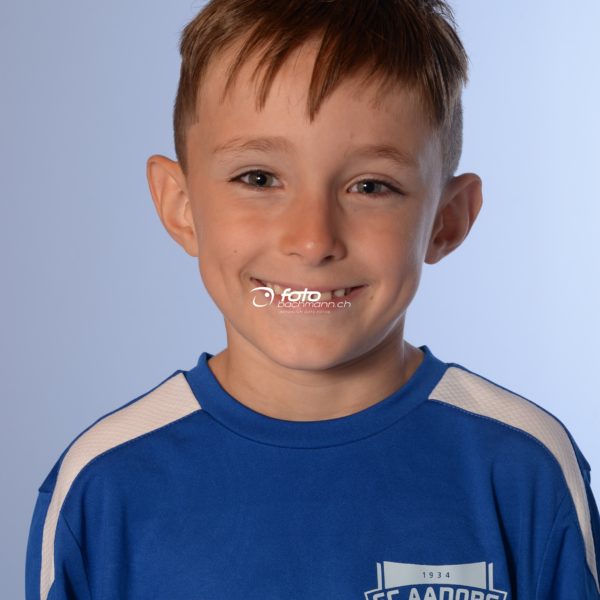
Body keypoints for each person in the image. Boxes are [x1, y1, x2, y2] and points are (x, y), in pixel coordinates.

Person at [25, 0, 600, 598]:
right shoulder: (104, 484)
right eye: (258, 178)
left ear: (447, 219)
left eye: (370, 186)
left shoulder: (521, 468)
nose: (312, 239)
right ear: (180, 206)